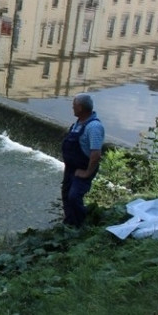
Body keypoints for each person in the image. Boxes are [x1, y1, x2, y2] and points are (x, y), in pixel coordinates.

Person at [61, 93, 105, 227]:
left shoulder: (94, 127)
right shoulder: (79, 123)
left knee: (74, 196)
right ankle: (70, 223)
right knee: (66, 195)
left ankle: (83, 225)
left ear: (80, 107)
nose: (72, 108)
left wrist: (87, 173)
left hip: (84, 168)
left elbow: (96, 154)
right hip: (72, 168)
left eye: (74, 105)